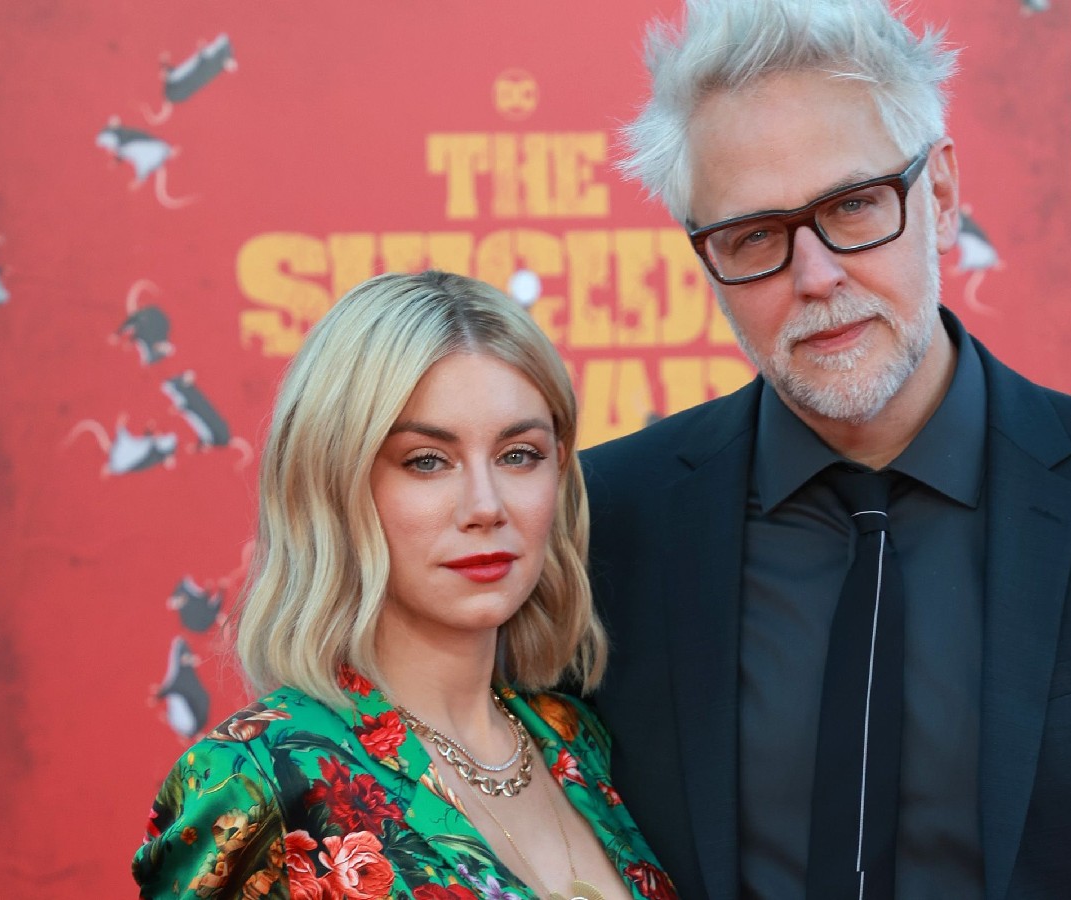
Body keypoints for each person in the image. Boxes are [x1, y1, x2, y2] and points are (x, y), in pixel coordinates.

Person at [581, 1, 1071, 898]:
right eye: (755, 237)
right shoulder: (608, 519)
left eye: (854, 206)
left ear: (938, 192)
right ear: (708, 261)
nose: (816, 276)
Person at [133, 271, 678, 900]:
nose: (486, 505)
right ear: (333, 485)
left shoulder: (578, 739)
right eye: (427, 461)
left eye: (518, 454)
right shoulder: (256, 778)